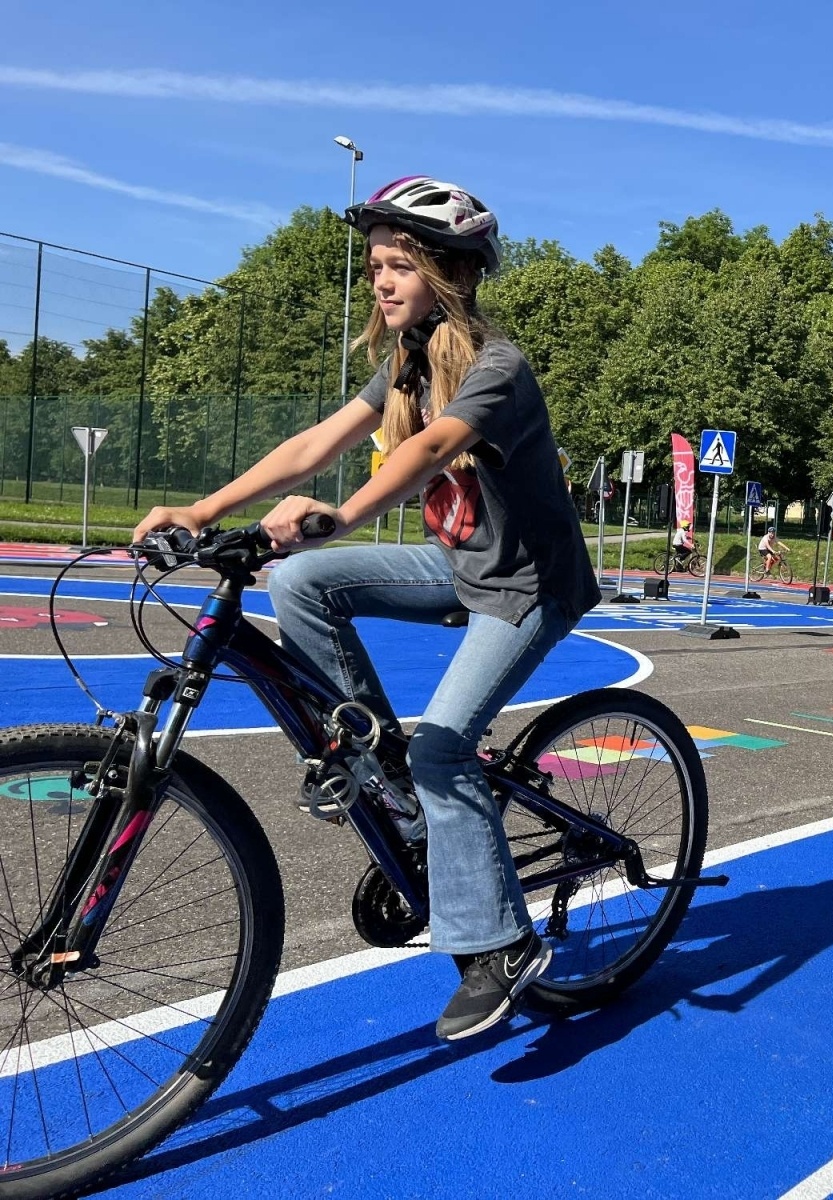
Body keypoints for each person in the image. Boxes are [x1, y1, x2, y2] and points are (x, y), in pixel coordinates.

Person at [134, 176, 600, 1042]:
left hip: (531, 584)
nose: (380, 282)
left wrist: (340, 517)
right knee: (301, 583)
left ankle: (501, 944)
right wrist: (203, 512)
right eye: (377, 266)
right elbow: (316, 444)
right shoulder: (405, 365)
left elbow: (432, 450)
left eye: (399, 265)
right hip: (462, 566)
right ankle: (380, 761)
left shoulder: (498, 367)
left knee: (444, 748)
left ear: (451, 273)